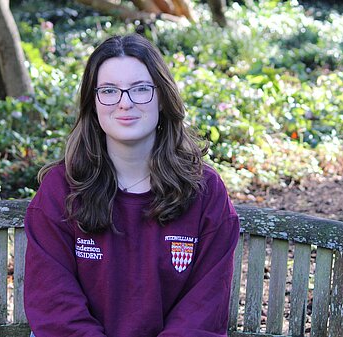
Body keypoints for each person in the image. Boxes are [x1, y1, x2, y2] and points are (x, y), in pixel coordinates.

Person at [23, 34, 240, 337]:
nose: (125, 103)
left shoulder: (204, 191)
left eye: (140, 89)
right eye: (109, 91)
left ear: (162, 98)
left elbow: (203, 310)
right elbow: (54, 306)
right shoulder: (61, 191)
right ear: (93, 103)